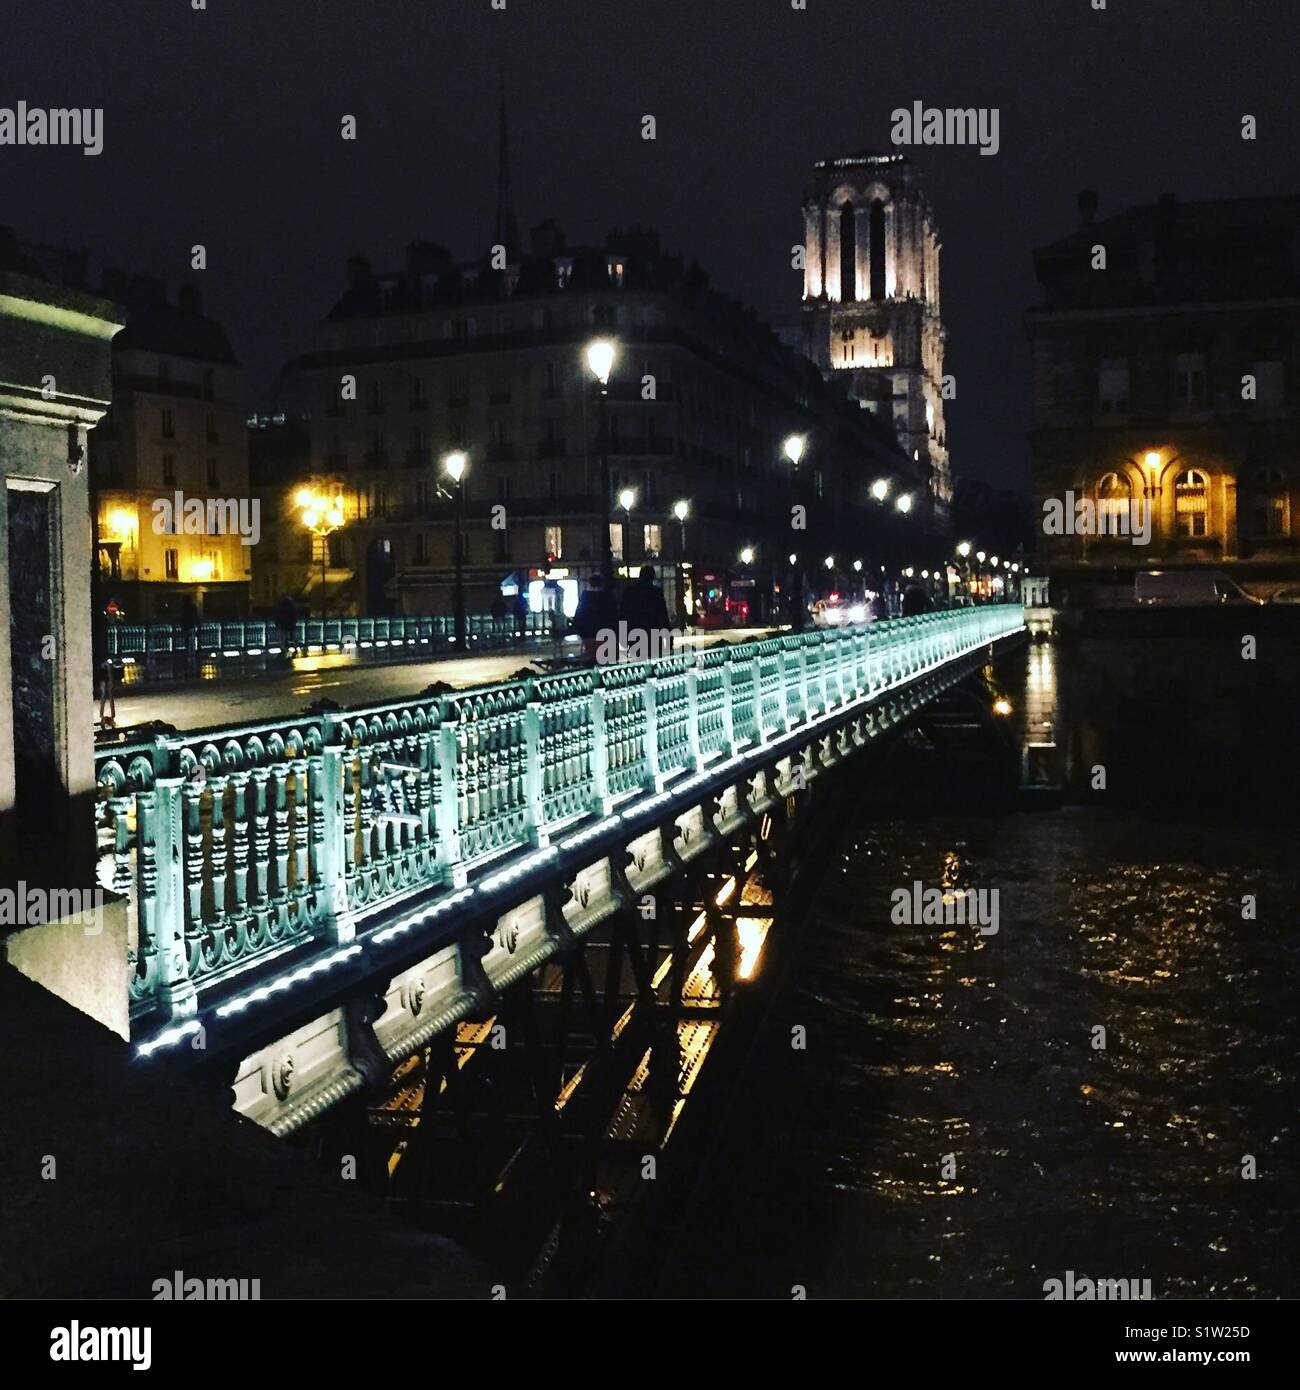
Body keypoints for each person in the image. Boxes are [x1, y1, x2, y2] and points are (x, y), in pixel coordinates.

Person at [619, 565, 671, 656]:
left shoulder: (630, 592)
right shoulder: (656, 592)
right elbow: (662, 615)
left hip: (635, 632)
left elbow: (623, 615)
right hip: (653, 632)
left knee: (638, 661)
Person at [572, 573, 619, 662]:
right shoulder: (609, 599)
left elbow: (578, 619)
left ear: (590, 584)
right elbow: (615, 619)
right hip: (607, 637)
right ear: (603, 585)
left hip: (589, 637)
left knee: (591, 661)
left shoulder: (585, 599)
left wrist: (583, 634)